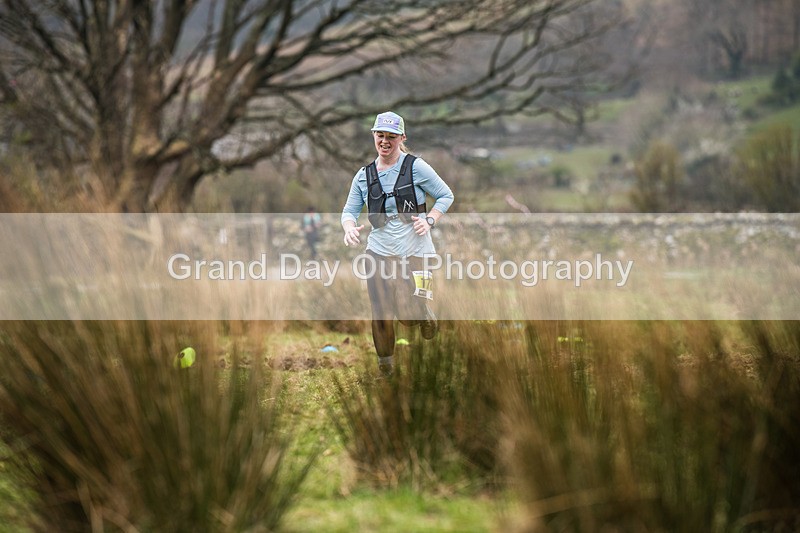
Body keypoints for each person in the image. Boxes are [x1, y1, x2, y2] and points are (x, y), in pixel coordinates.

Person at [341, 111, 454, 375]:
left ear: (401, 137)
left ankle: (424, 312)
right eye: (380, 135)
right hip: (378, 250)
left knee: (408, 314)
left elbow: (445, 195)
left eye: (391, 136)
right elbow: (349, 211)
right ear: (374, 136)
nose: (385, 141)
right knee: (380, 311)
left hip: (418, 251)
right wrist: (349, 228)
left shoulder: (417, 167)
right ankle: (386, 370)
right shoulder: (363, 176)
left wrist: (430, 220)